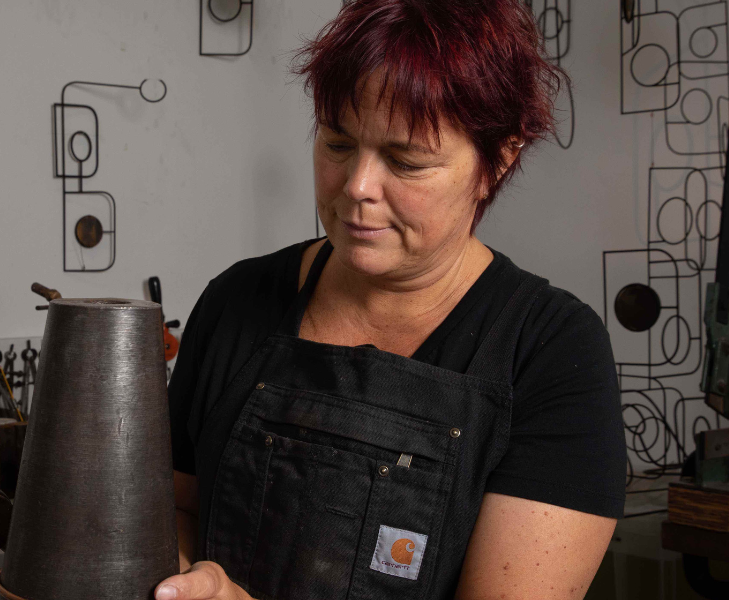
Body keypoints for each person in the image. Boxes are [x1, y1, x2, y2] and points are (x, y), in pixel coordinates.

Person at [159, 1, 625, 599]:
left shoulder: (550, 351)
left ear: (496, 163)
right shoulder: (237, 300)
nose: (356, 187)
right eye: (337, 143)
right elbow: (178, 511)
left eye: (406, 161)